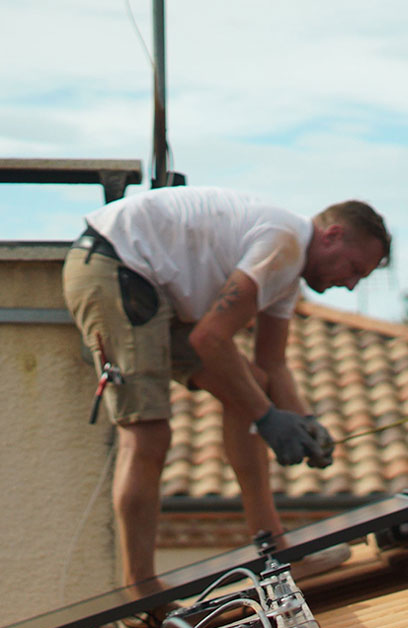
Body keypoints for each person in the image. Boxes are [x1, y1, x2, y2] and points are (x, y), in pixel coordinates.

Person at [62, 186, 390, 592]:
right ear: (332, 235)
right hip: (114, 265)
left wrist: (305, 425)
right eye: (354, 268)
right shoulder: (283, 243)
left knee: (252, 385)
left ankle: (273, 551)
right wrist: (269, 419)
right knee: (148, 434)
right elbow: (209, 339)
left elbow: (273, 366)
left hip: (148, 284)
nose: (351, 284)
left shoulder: (287, 275)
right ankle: (142, 594)